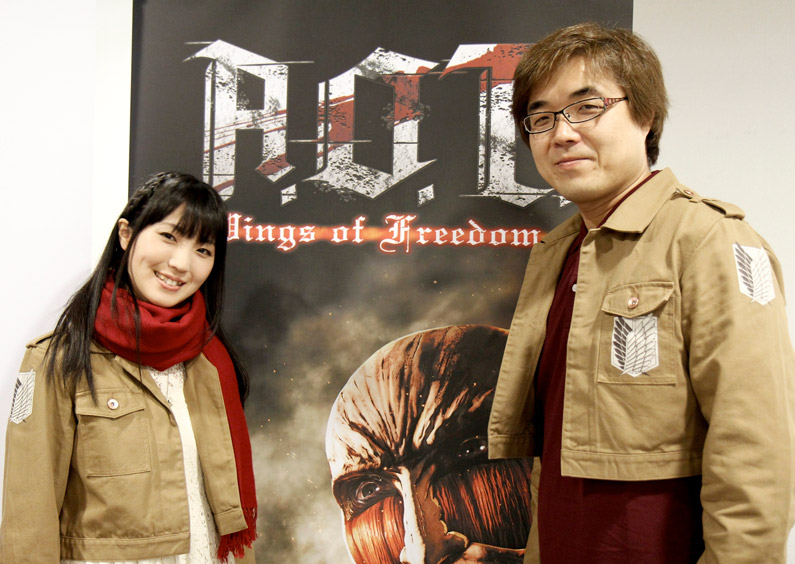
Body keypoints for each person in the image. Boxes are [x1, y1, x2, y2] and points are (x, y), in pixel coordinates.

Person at [488, 22, 795, 564]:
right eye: (542, 117)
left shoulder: (709, 240)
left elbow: (757, 449)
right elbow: (554, 459)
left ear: (646, 115)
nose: (562, 134)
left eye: (587, 107)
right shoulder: (557, 254)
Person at [1, 172, 258, 563]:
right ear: (126, 234)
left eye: (203, 250)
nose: (181, 263)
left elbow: (228, 517)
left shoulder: (213, 362)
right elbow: (28, 514)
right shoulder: (58, 358)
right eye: (169, 236)